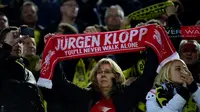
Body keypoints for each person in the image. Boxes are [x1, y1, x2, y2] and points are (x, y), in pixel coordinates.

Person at [45, 44, 159, 112]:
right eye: (99, 72)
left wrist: (151, 47)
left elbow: (147, 77)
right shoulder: (86, 96)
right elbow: (61, 83)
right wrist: (54, 52)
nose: (103, 74)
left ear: (116, 75)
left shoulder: (127, 94)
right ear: (95, 76)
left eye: (107, 72)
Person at [0, 26, 45, 112]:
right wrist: (6, 48)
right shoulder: (2, 66)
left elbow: (37, 103)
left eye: (21, 42)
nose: (18, 44)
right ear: (2, 44)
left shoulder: (28, 73)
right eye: (14, 40)